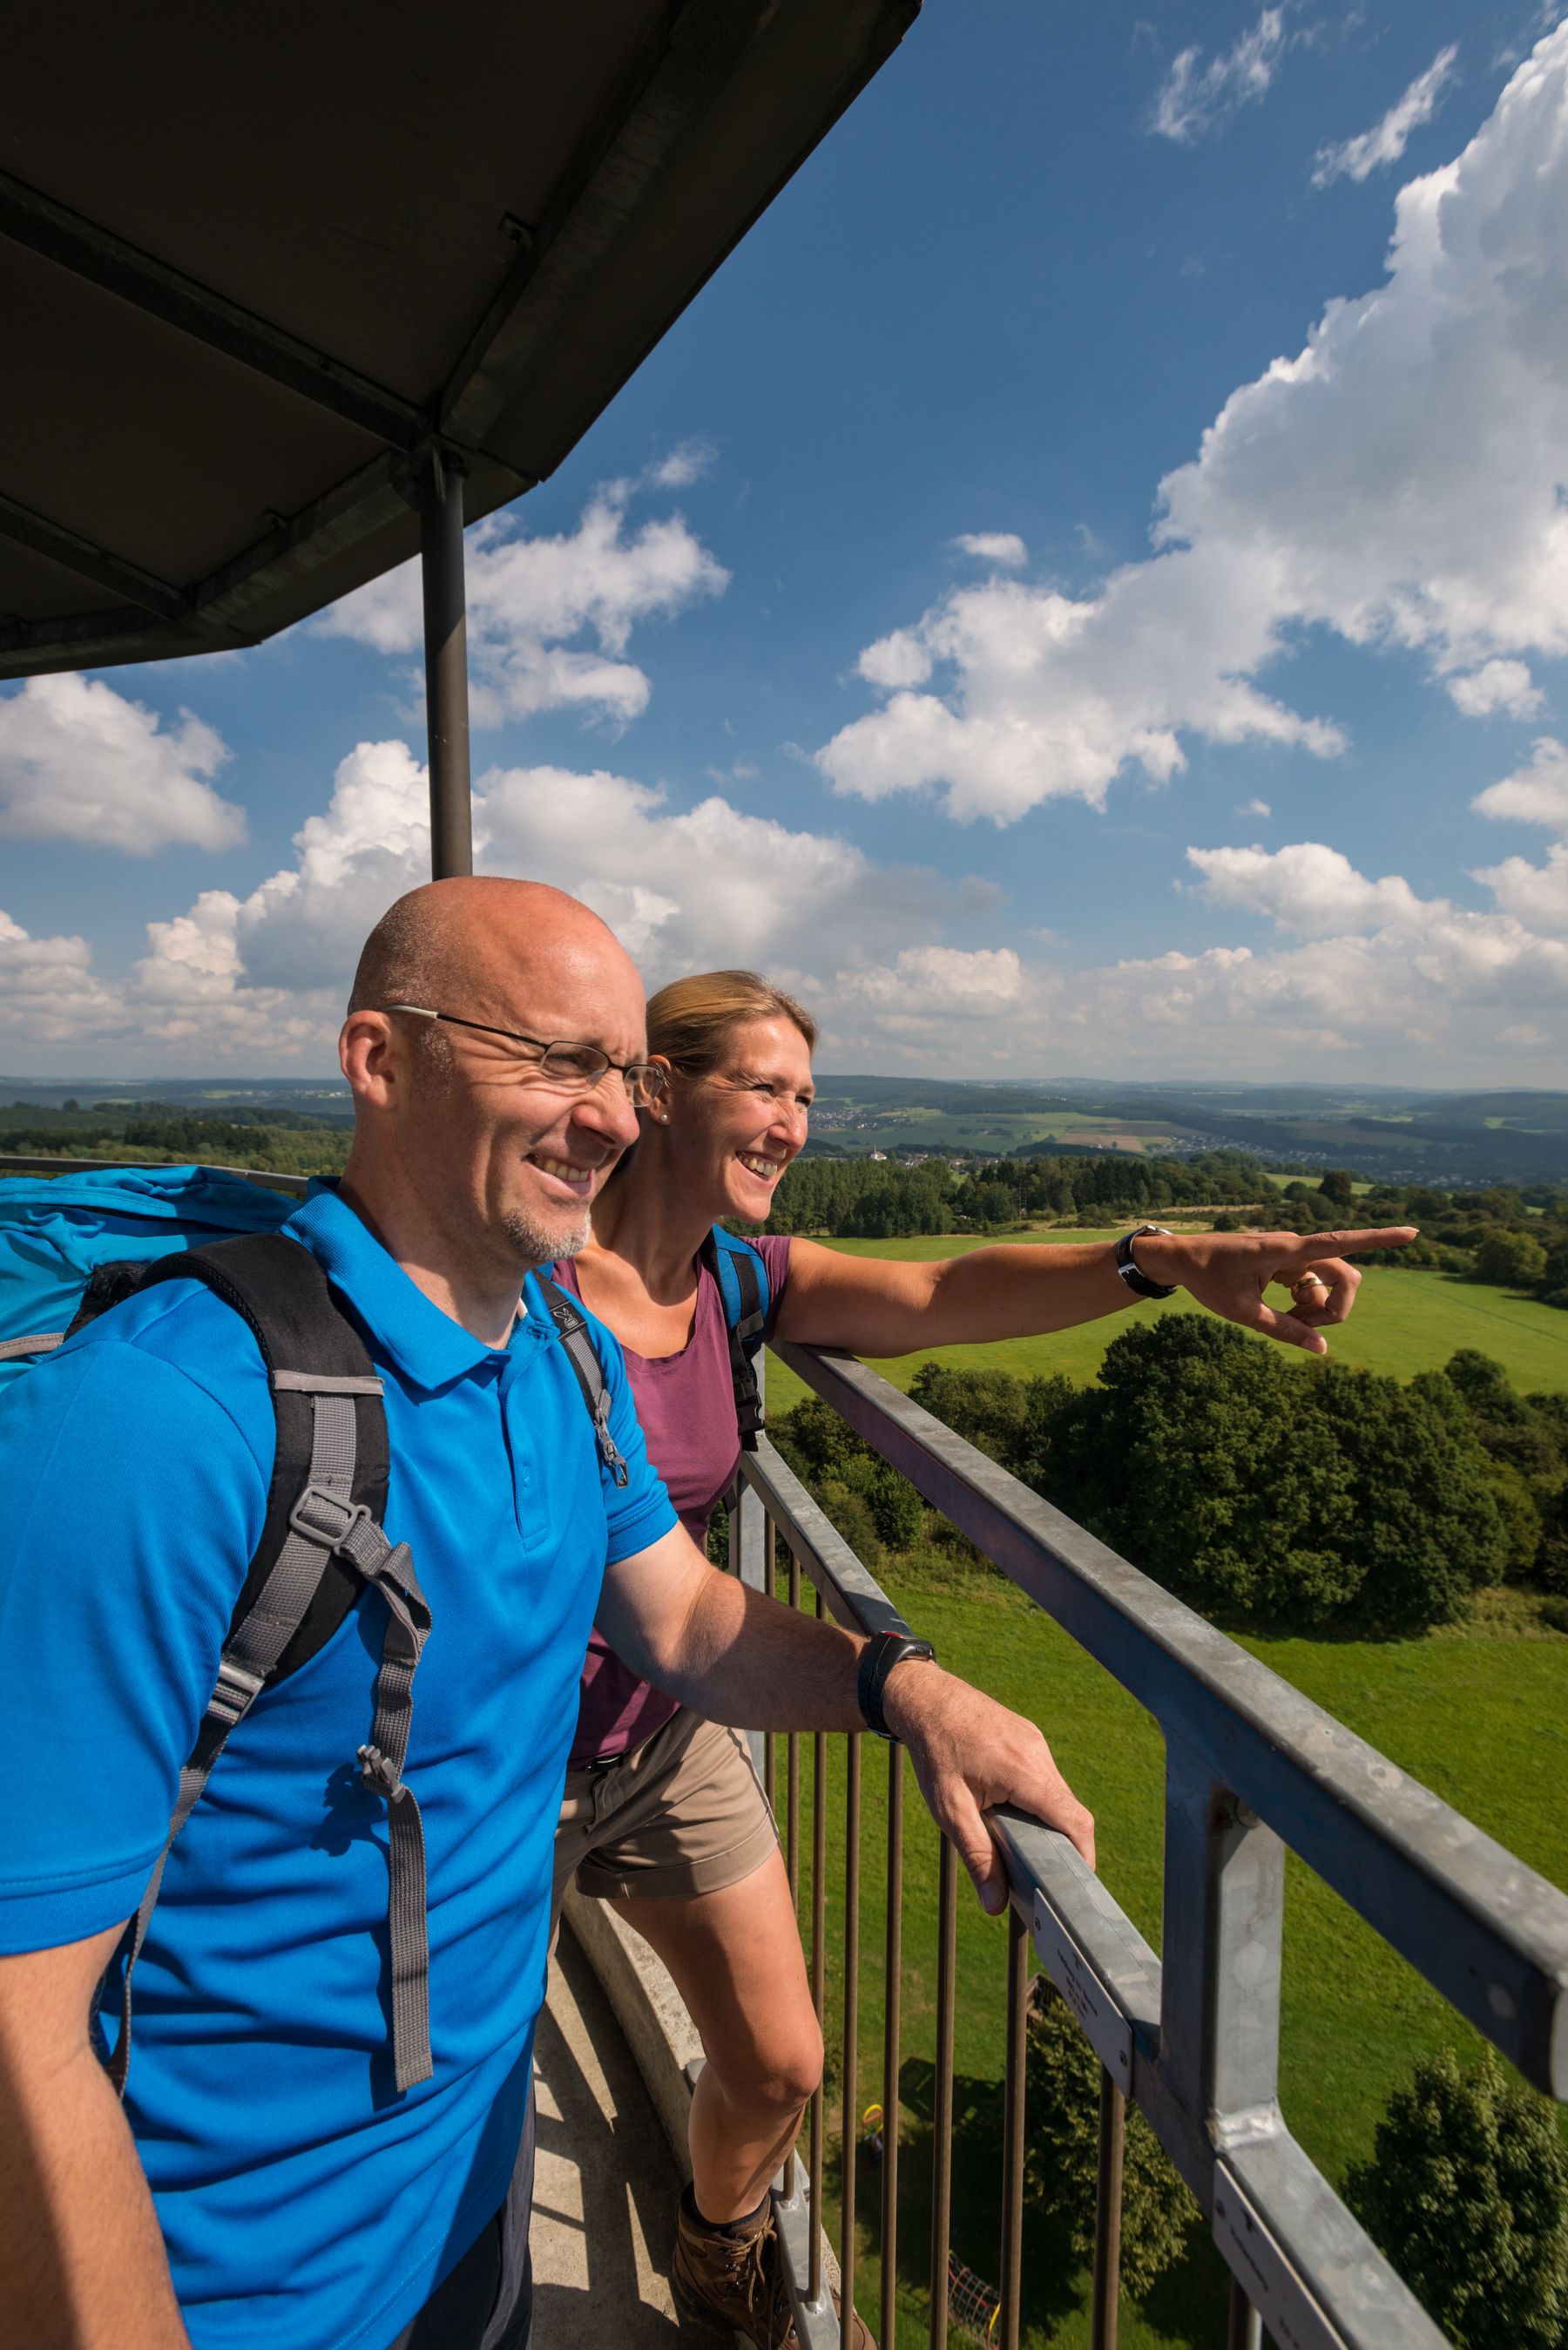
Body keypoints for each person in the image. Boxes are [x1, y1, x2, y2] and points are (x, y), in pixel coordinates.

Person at [0, 881, 1095, 2350]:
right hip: (239, 2275)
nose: (618, 1118)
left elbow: (691, 1623)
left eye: (624, 1072)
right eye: (556, 1061)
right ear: (378, 1060)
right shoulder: (169, 1413)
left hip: (467, 2205)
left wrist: (907, 1686)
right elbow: (19, 2023)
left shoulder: (559, 1353)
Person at [550, 966, 1416, 2347]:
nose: (793, 1124)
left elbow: (944, 1287)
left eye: (808, 1099)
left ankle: (716, 2250)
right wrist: (897, 1676)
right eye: (763, 1088)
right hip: (494, 1757)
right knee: (437, 2108)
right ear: (657, 1088)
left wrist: (1160, 1261)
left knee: (780, 2063)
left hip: (662, 1732)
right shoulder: (526, 1289)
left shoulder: (737, 1277)